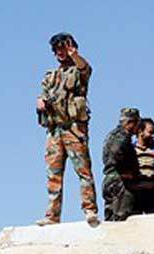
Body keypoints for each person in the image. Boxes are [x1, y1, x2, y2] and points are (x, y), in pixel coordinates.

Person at [36, 32, 99, 226]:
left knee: (83, 170)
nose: (60, 52)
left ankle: (89, 209)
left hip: (74, 128)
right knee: (53, 174)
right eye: (56, 49)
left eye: (63, 48)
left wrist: (75, 55)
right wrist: (41, 101)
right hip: (55, 130)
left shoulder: (78, 71)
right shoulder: (51, 76)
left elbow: (86, 69)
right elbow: (42, 94)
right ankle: (52, 215)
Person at [102, 107, 142, 221]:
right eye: (137, 123)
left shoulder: (113, 135)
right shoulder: (122, 137)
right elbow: (116, 152)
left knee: (110, 220)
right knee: (121, 219)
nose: (138, 127)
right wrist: (125, 172)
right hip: (120, 183)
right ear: (130, 123)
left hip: (111, 180)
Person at [131, 118, 154, 214]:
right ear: (140, 132)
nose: (152, 136)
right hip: (135, 194)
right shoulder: (131, 151)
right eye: (150, 132)